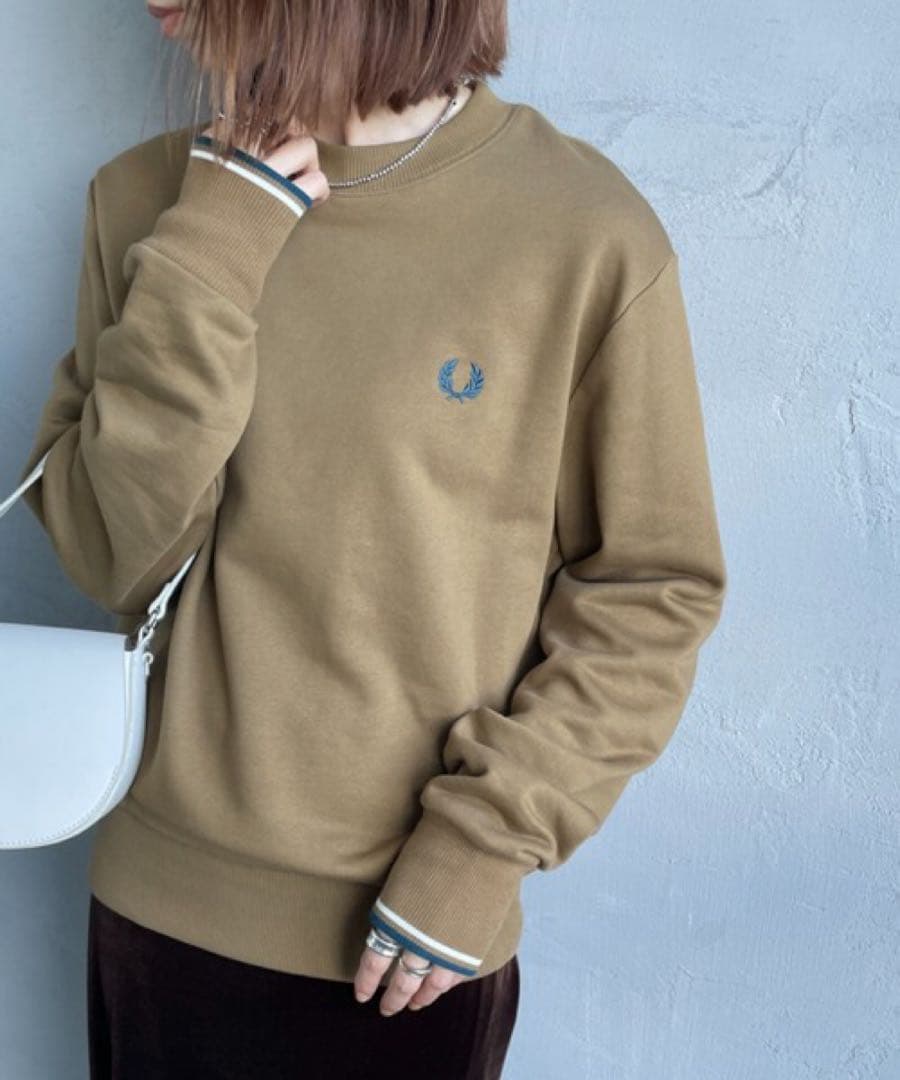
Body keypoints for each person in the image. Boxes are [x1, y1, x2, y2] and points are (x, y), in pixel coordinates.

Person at [17, 0, 728, 1076]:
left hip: (407, 951)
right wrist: (215, 246)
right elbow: (113, 556)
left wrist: (485, 847)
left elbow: (651, 587)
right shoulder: (146, 198)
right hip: (156, 918)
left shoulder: (580, 233)